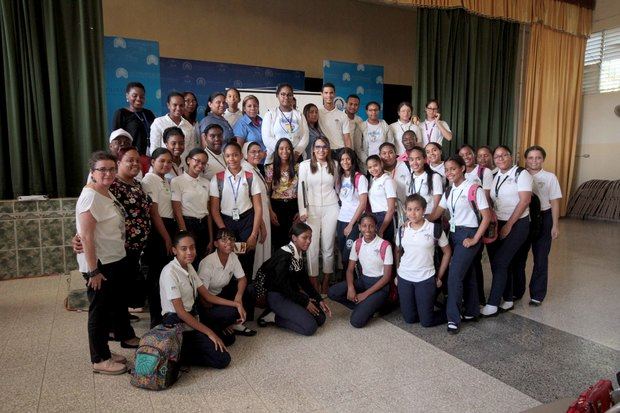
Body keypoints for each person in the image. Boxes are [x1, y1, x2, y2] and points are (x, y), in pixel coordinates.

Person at [76, 151, 137, 374]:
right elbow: (86, 237)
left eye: (111, 169)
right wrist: (93, 271)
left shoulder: (104, 192)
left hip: (114, 258)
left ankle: (106, 352)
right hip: (100, 265)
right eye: (102, 169)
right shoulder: (90, 196)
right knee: (98, 313)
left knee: (107, 310)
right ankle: (99, 359)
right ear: (92, 172)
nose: (108, 173)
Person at [429, 156, 491, 333]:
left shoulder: (473, 188)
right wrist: (415, 218)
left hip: (469, 234)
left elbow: (486, 216)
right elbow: (436, 214)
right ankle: (472, 311)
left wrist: (475, 239)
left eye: (453, 169)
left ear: (462, 168)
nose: (449, 173)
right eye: (447, 170)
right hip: (454, 234)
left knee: (454, 276)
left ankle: (453, 319)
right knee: (468, 273)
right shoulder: (449, 191)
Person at [159, 231, 231, 369]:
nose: (189, 252)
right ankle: (180, 355)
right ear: (174, 250)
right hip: (176, 322)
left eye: (192, 247)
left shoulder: (189, 266)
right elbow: (181, 312)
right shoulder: (170, 272)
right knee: (223, 359)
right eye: (184, 249)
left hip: (192, 316)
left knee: (228, 338)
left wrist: (236, 304)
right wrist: (209, 332)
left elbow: (207, 295)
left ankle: (192, 345)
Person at [481, 145, 532, 317]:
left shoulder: (521, 174)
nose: (501, 158)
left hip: (518, 223)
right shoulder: (495, 175)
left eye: (504, 155)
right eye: (497, 156)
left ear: (511, 157)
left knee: (501, 262)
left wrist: (509, 225)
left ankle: (493, 303)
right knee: (502, 262)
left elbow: (525, 201)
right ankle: (508, 298)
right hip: (498, 223)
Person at [258, 223, 332, 336]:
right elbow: (282, 286)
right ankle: (272, 316)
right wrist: (305, 301)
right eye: (304, 237)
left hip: (291, 293)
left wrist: (319, 299)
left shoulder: (298, 253)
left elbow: (304, 281)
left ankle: (291, 311)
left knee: (320, 318)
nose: (309, 241)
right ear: (294, 238)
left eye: (310, 238)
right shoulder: (284, 256)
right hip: (278, 296)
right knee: (310, 327)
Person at [513, 145, 562, 306]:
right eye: (531, 158)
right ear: (525, 159)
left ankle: (537, 294)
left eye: (538, 157)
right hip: (525, 218)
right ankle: (517, 291)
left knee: (541, 258)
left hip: (544, 217)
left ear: (543, 159)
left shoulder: (550, 177)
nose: (534, 161)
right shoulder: (519, 175)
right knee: (519, 257)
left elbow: (555, 202)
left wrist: (555, 225)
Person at [210, 142, 263, 279]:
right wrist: (224, 231)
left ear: (241, 156)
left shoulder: (250, 177)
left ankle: (246, 295)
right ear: (224, 157)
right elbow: (214, 209)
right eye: (228, 156)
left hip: (247, 221)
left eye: (235, 155)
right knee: (228, 257)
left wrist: (253, 234)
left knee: (247, 256)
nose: (231, 159)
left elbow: (258, 207)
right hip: (226, 222)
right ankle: (230, 294)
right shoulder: (217, 178)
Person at [396, 194, 450, 328]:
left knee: (427, 322)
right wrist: (397, 272)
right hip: (405, 277)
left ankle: (453, 311)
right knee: (409, 319)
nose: (413, 213)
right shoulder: (402, 229)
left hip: (425, 278)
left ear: (424, 210)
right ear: (405, 210)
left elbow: (447, 252)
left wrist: (439, 276)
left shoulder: (434, 229)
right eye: (409, 209)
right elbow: (397, 251)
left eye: (417, 209)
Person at [328, 214, 391, 328]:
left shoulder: (385, 245)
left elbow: (387, 277)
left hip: (380, 286)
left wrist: (365, 295)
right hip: (363, 281)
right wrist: (351, 288)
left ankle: (374, 306)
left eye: (371, 226)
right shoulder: (357, 243)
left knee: (356, 322)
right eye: (364, 226)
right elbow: (350, 270)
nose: (367, 229)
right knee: (332, 292)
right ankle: (365, 306)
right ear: (359, 227)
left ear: (376, 227)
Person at [297, 137, 340, 294]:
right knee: (311, 246)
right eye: (318, 147)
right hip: (312, 209)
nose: (321, 150)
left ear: (328, 149)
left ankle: (327, 280)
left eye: (324, 147)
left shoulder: (334, 165)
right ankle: (313, 280)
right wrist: (303, 211)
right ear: (313, 149)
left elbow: (337, 186)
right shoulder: (304, 165)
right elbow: (301, 189)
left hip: (331, 207)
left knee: (328, 246)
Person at [142, 148, 177, 327]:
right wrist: (166, 238)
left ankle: (165, 313)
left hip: (167, 226)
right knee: (156, 276)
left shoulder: (165, 180)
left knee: (165, 275)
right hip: (158, 230)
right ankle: (155, 318)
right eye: (161, 161)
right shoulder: (149, 180)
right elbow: (154, 213)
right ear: (152, 161)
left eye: (169, 162)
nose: (166, 164)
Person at [197, 229, 256, 337]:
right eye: (224, 239)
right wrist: (236, 304)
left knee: (249, 289)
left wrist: (238, 297)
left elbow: (242, 279)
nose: (228, 242)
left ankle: (234, 324)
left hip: (220, 292)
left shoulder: (233, 256)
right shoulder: (208, 263)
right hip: (207, 302)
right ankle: (224, 324)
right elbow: (204, 298)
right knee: (231, 315)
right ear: (216, 244)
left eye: (231, 239)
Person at [459, 144, 494, 305]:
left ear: (474, 155)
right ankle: (468, 296)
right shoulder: (457, 171)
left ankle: (478, 298)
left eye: (469, 153)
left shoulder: (483, 172)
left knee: (475, 261)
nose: (466, 156)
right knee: (468, 263)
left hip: (477, 221)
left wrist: (481, 219)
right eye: (462, 154)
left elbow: (486, 199)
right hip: (461, 221)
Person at [171, 148, 213, 266]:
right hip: (188, 224)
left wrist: (210, 238)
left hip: (203, 225)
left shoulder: (206, 183)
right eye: (197, 161)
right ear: (189, 160)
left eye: (204, 163)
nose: (200, 165)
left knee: (202, 262)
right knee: (187, 262)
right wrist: (184, 234)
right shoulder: (177, 181)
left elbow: (208, 212)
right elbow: (177, 211)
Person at [335, 147, 368, 274]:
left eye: (348, 159)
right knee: (343, 254)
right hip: (341, 219)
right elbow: (341, 199)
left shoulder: (360, 178)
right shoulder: (341, 178)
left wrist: (351, 224)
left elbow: (363, 203)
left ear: (352, 160)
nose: (345, 162)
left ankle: (353, 283)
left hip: (353, 222)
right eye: (342, 159)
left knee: (349, 255)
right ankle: (346, 282)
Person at [242, 141, 272, 274]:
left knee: (264, 250)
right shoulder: (246, 170)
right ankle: (256, 284)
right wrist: (261, 224)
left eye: (259, 151)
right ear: (245, 154)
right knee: (259, 251)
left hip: (263, 213)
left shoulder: (255, 169)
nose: (257, 154)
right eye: (253, 152)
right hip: (257, 217)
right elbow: (250, 200)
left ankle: (261, 283)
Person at [265, 138, 299, 250]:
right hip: (276, 207)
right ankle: (279, 266)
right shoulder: (270, 168)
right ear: (277, 150)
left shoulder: (298, 167)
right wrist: (270, 211)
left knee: (292, 240)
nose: (285, 151)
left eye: (288, 148)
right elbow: (267, 193)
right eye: (281, 148)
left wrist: (300, 210)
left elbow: (302, 191)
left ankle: (292, 266)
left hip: (293, 206)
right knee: (278, 241)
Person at [262, 83, 308, 164]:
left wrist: (296, 153)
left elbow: (305, 136)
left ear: (292, 96)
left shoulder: (299, 115)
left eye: (289, 95)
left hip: (296, 157)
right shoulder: (270, 114)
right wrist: (282, 152)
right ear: (277, 95)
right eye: (283, 94)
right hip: (275, 156)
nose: (286, 97)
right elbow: (267, 138)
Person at [112, 82, 155, 159]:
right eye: (134, 96)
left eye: (142, 96)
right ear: (127, 96)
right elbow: (116, 138)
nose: (138, 99)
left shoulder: (148, 113)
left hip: (149, 155)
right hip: (130, 156)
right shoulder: (121, 113)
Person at [150, 92, 196, 159]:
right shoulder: (158, 123)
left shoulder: (189, 126)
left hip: (183, 166)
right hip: (164, 165)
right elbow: (154, 149)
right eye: (175, 105)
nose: (178, 108)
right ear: (168, 105)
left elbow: (191, 150)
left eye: (181, 105)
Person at [366, 155, 397, 243]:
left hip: (387, 219)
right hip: (375, 217)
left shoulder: (387, 180)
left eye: (375, 165)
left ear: (381, 164)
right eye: (370, 167)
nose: (373, 169)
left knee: (386, 246)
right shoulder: (374, 180)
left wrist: (382, 229)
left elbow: (391, 209)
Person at [407, 146, 444, 219]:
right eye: (411, 159)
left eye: (418, 159)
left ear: (425, 159)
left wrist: (430, 219)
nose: (414, 163)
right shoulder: (408, 178)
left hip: (430, 218)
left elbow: (437, 204)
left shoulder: (434, 177)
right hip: (414, 219)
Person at [380, 142, 411, 225]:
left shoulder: (406, 166)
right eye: (384, 153)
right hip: (384, 214)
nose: (387, 156)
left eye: (390, 152)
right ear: (380, 155)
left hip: (405, 212)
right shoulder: (376, 171)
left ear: (395, 153)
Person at [318, 83, 351, 158]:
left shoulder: (343, 115)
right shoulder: (317, 113)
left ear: (335, 94)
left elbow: (347, 138)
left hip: (340, 151)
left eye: (331, 93)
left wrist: (348, 154)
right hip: (323, 151)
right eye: (326, 93)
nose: (329, 95)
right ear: (322, 94)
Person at [344, 94, 364, 164]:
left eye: (356, 105)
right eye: (351, 104)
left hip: (354, 153)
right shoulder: (340, 117)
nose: (353, 107)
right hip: (341, 152)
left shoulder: (360, 120)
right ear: (346, 104)